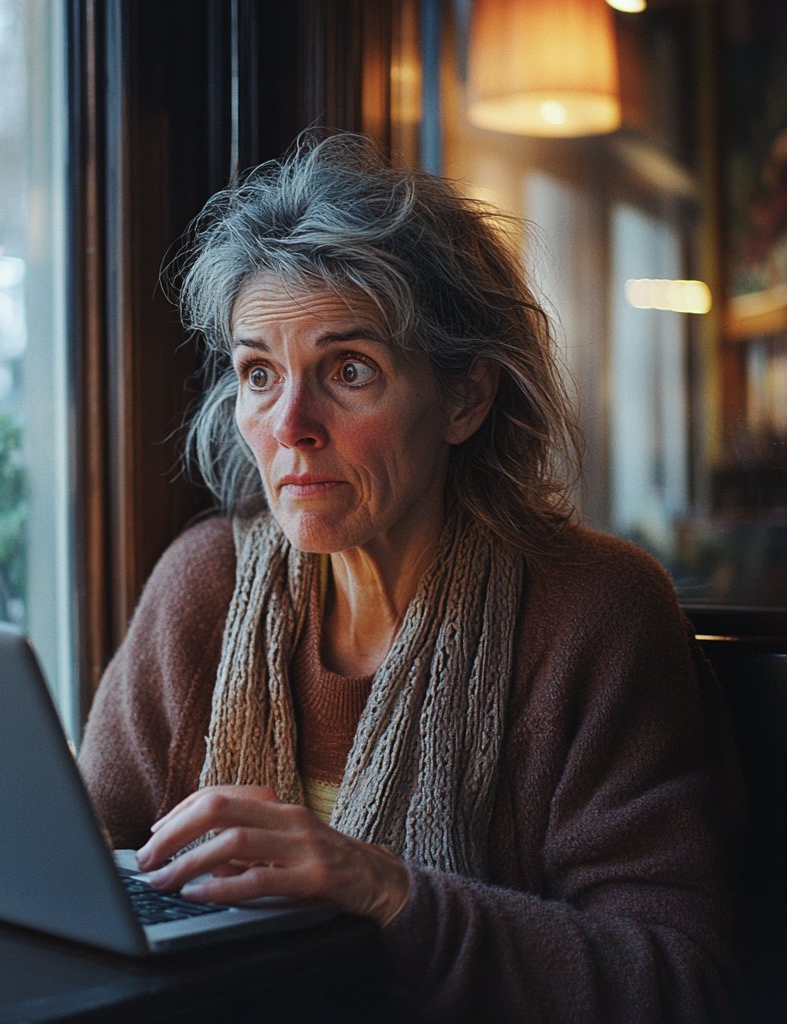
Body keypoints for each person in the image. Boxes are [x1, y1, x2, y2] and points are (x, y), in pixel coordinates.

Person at [78, 131, 742, 1022]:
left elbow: (676, 981)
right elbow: (74, 872)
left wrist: (383, 891)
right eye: (259, 373)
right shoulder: (202, 583)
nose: (292, 425)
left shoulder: (597, 614)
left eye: (348, 371)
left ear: (465, 397)